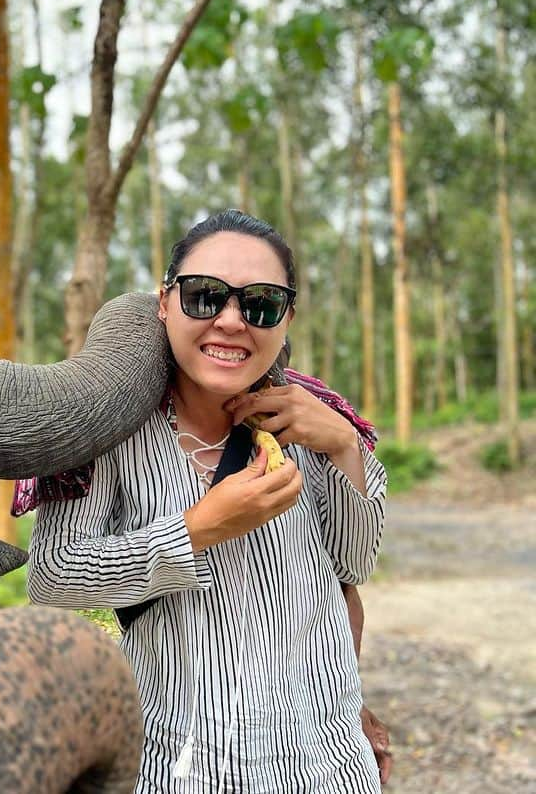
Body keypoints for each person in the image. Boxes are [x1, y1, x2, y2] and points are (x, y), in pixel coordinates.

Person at [27, 210, 387, 793]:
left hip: (328, 764)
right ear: (164, 303)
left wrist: (344, 445)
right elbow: (53, 578)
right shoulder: (109, 433)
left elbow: (355, 565)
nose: (231, 321)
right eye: (204, 297)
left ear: (287, 316)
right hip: (184, 768)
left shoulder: (315, 422)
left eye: (260, 304)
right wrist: (197, 529)